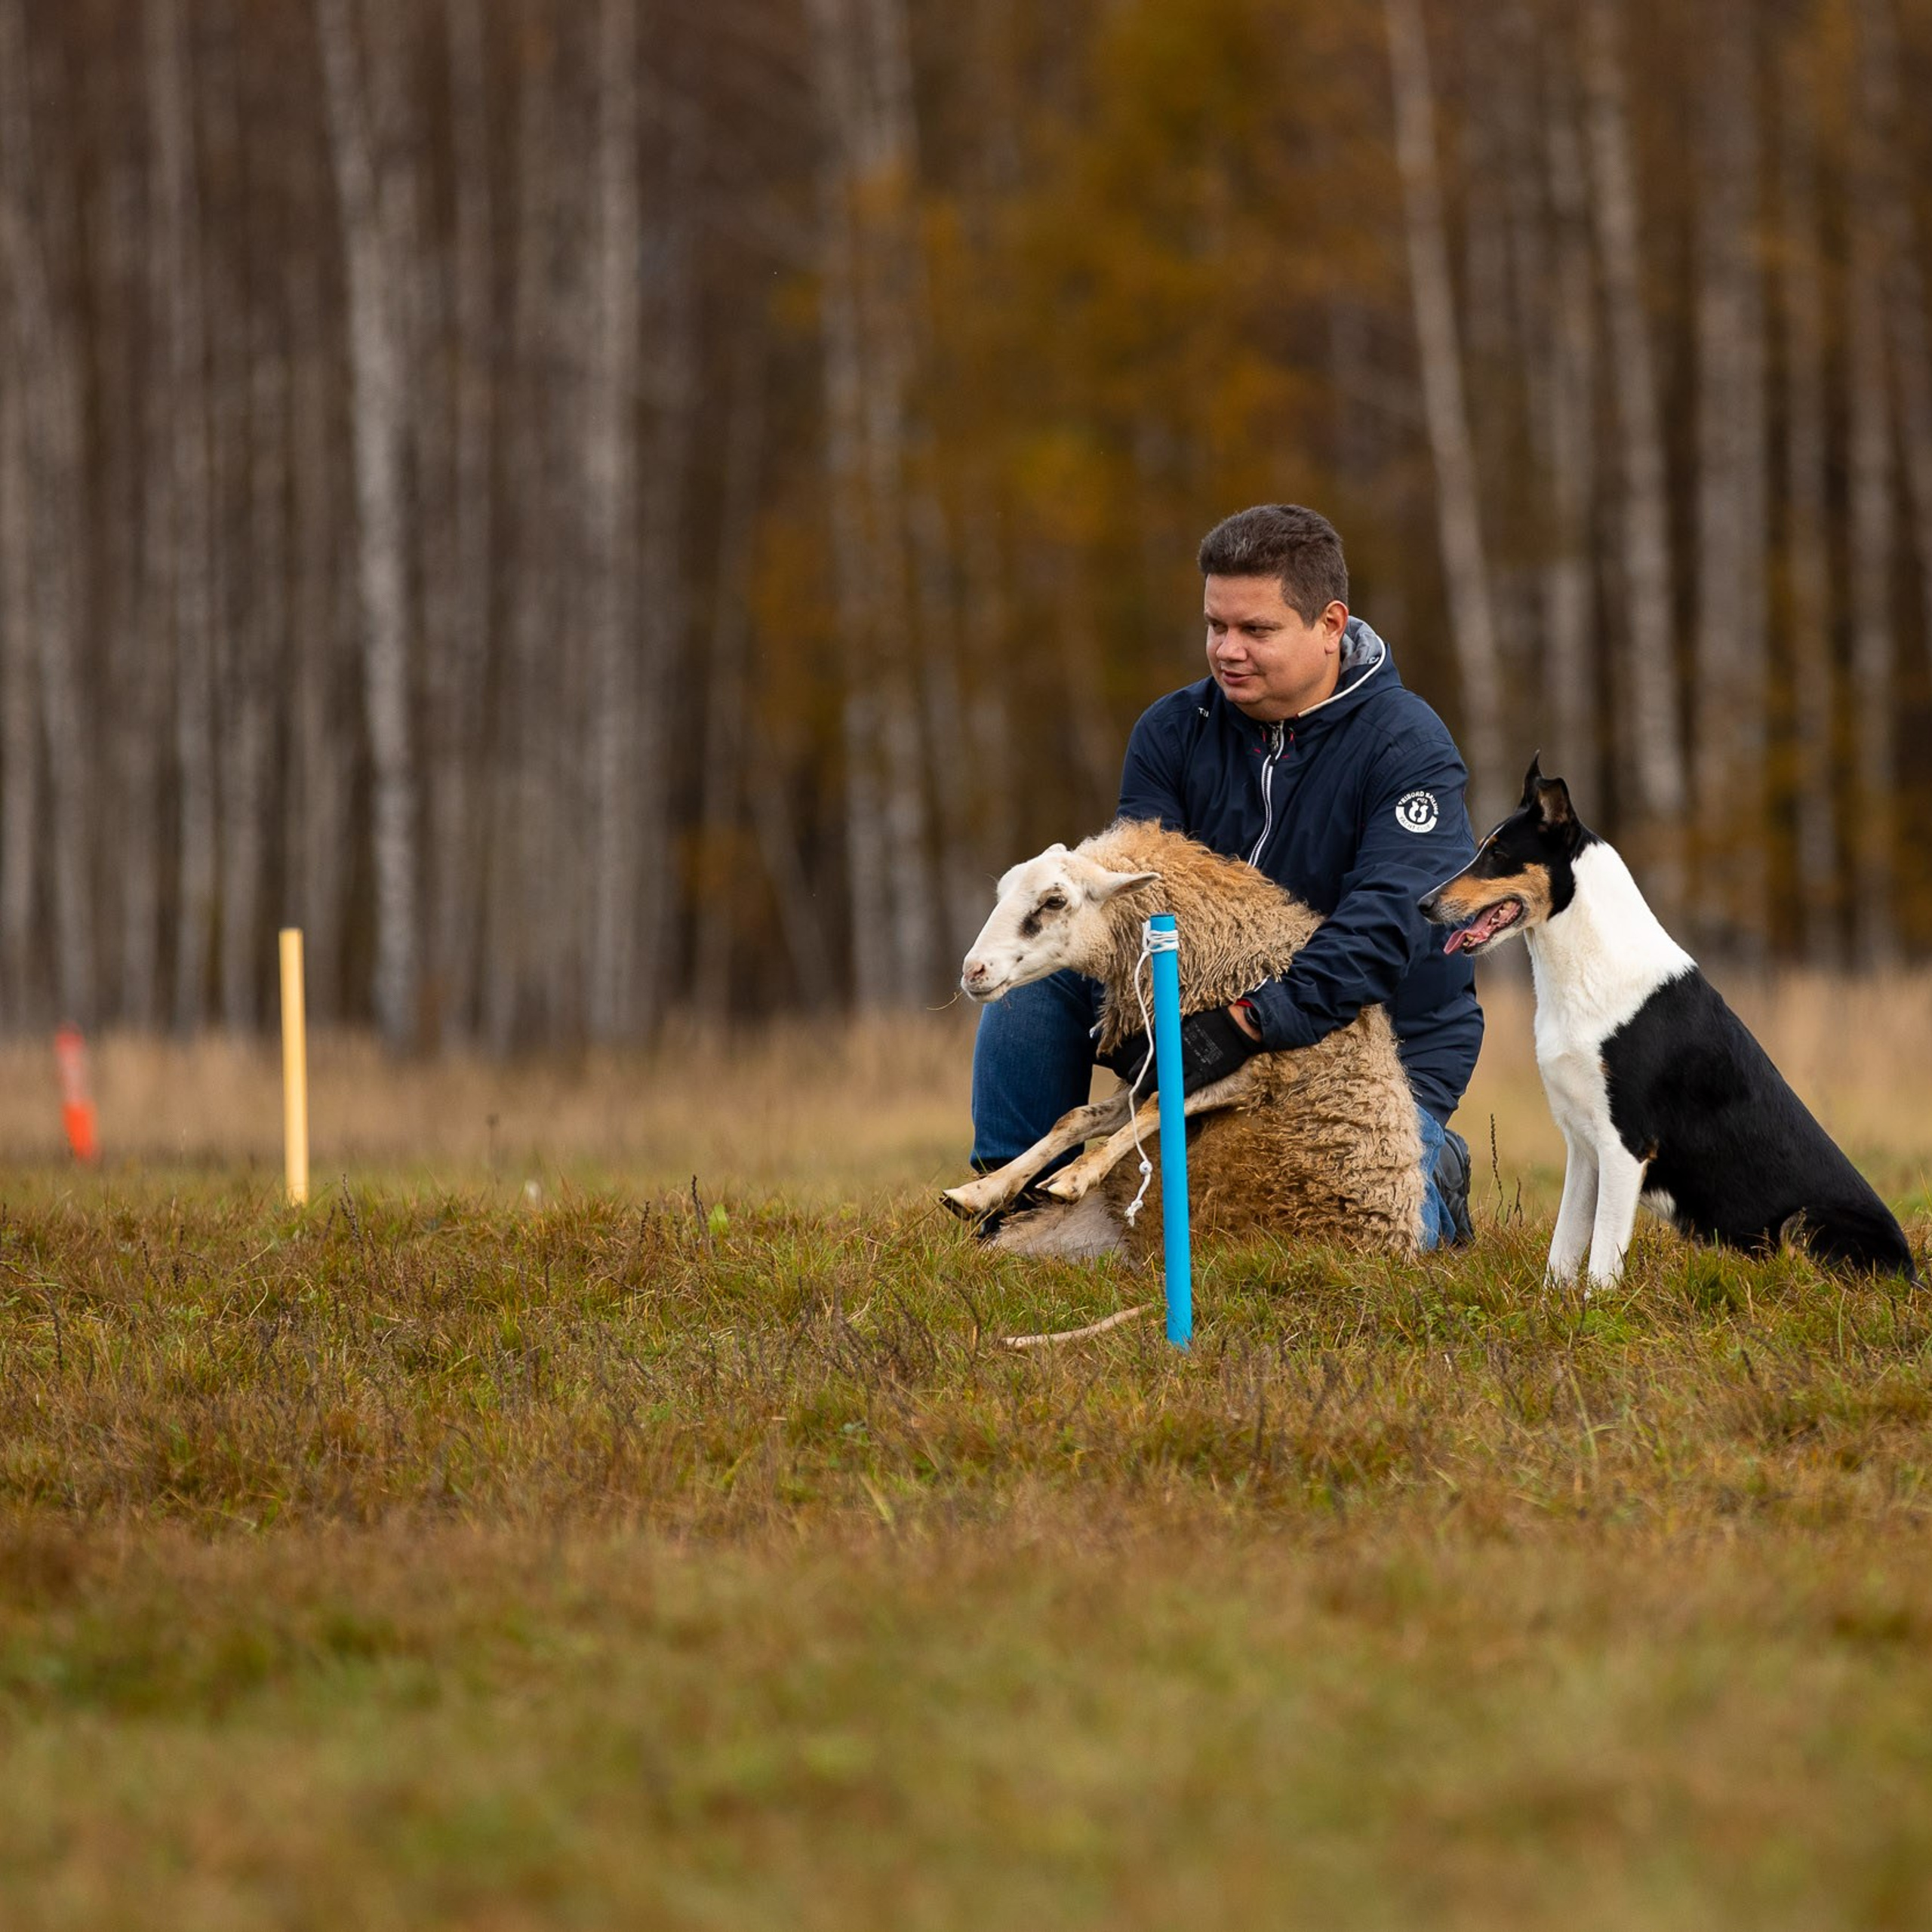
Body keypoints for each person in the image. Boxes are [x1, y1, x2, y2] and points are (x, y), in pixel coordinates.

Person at [969, 503, 1481, 1247]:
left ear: (1330, 624)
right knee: (1045, 957)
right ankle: (1009, 1197)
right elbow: (1135, 904)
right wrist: (1180, 1030)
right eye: (1216, 626)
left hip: (1375, 1053)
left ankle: (1435, 1173)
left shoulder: (1408, 747)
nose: (1227, 650)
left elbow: (1384, 928)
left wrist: (1247, 1022)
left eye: (1256, 630)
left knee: (1350, 1240)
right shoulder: (1170, 733)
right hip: (1191, 1028)